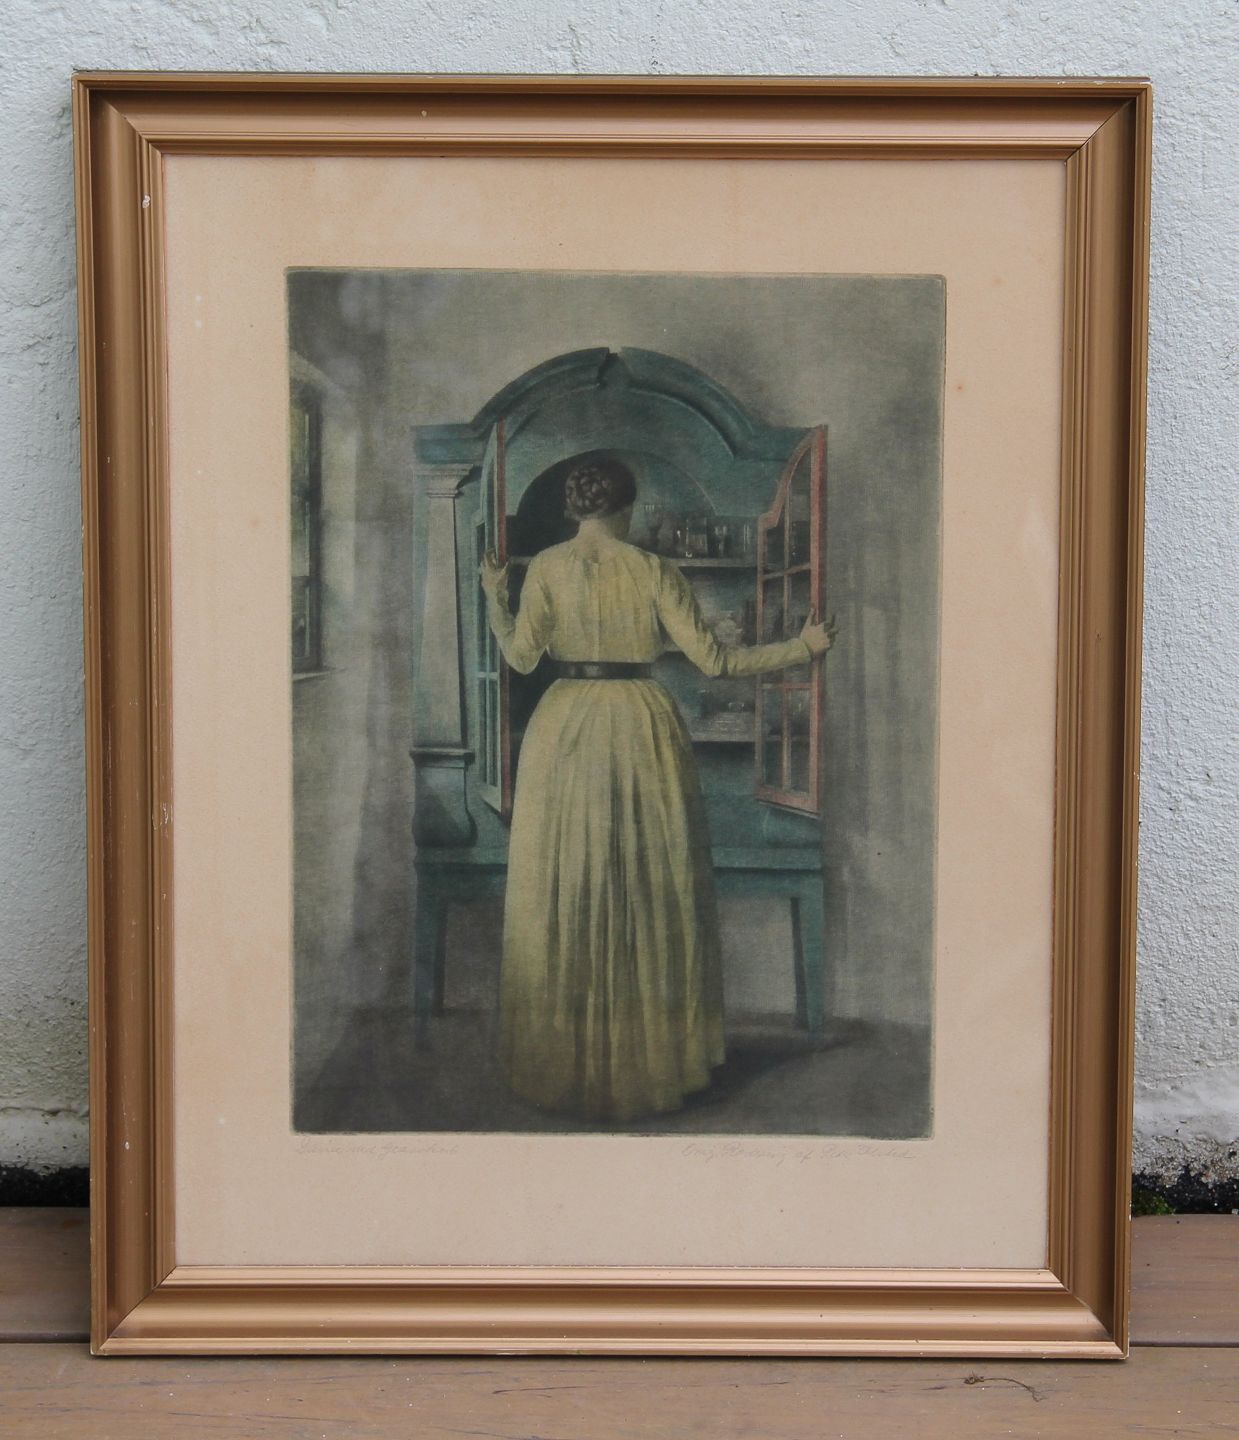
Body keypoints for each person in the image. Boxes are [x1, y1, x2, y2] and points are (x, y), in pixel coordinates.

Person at [480, 457, 836, 1122]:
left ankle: (569, 1061)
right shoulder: (652, 569)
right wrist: (803, 647)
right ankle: (644, 1061)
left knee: (573, 876)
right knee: (645, 880)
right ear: (626, 508)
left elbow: (521, 657)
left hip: (561, 726)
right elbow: (716, 662)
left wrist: (495, 597)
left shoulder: (547, 567)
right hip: (639, 720)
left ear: (574, 509)